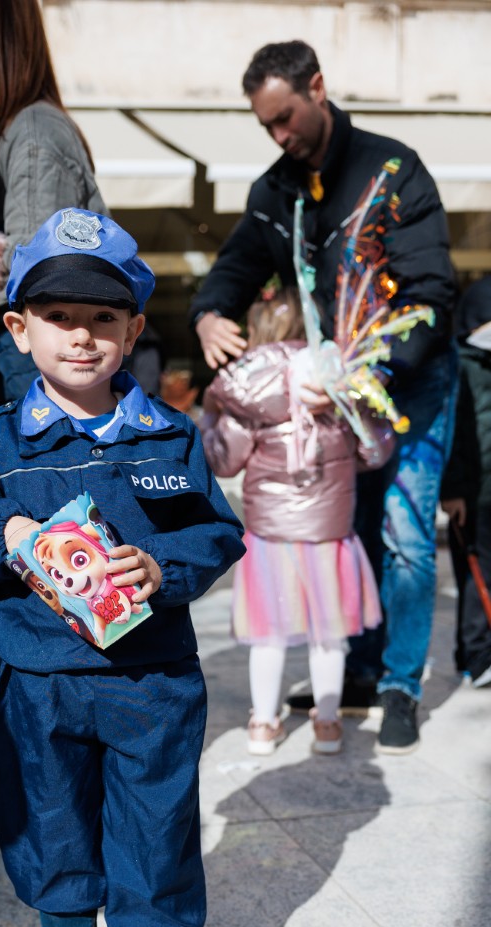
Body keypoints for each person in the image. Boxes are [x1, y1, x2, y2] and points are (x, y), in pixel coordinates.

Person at [0, 208, 250, 927]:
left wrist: (163, 564)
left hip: (152, 682)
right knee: (55, 836)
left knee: (156, 838)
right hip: (38, 686)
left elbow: (219, 537)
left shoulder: (169, 434)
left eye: (104, 318)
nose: (82, 334)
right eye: (59, 315)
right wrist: (14, 533)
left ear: (134, 330)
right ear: (18, 329)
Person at [189, 40, 457, 755]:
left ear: (317, 87)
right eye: (266, 126)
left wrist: (362, 374)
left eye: (286, 117)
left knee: (403, 534)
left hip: (411, 383)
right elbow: (239, 261)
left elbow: (431, 292)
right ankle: (361, 670)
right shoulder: (275, 193)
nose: (280, 136)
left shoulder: (393, 170)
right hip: (331, 390)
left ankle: (400, 682)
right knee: (353, 528)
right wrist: (210, 311)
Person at [0, 0, 108, 824]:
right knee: (1, 592)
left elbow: (44, 294)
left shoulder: (33, 134)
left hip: (18, 418)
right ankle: (13, 769)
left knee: (32, 591)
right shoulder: (3, 134)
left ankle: (41, 782)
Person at [202, 288, 395, 755]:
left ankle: (264, 725)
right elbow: (376, 450)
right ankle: (327, 726)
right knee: (329, 636)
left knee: (267, 635)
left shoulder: (249, 386)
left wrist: (208, 424)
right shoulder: (338, 377)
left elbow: (224, 461)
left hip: (270, 535)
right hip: (330, 534)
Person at [440, 276, 491, 688]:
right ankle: (476, 656)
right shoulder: (458, 367)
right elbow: (453, 435)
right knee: (474, 576)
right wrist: (452, 490)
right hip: (472, 494)